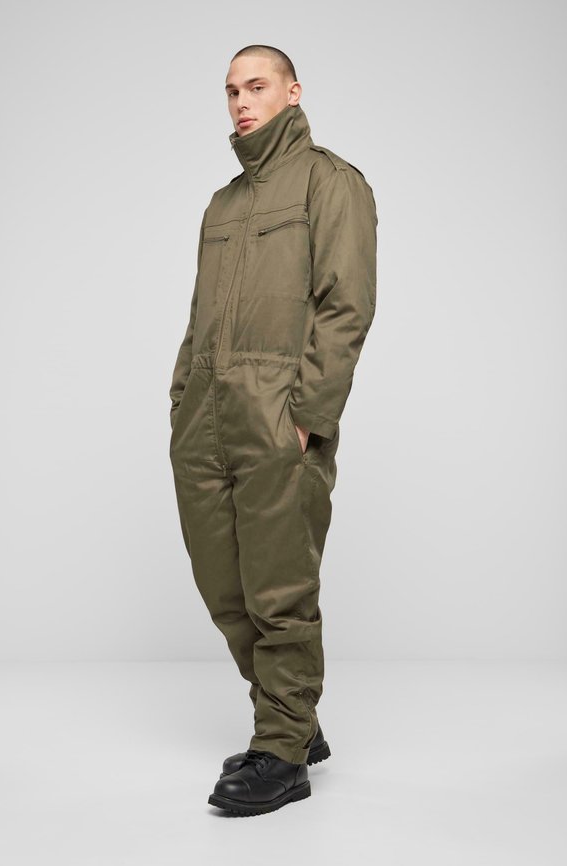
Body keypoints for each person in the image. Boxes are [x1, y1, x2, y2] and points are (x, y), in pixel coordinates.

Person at [168, 44, 377, 816]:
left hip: (276, 415)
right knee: (224, 586)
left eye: (256, 86)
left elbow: (346, 306)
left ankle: (283, 751)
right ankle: (296, 722)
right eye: (231, 90)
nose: (240, 101)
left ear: (292, 92)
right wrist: (181, 400)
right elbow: (199, 317)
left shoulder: (332, 182)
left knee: (279, 589)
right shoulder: (222, 205)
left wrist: (307, 418)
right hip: (206, 416)